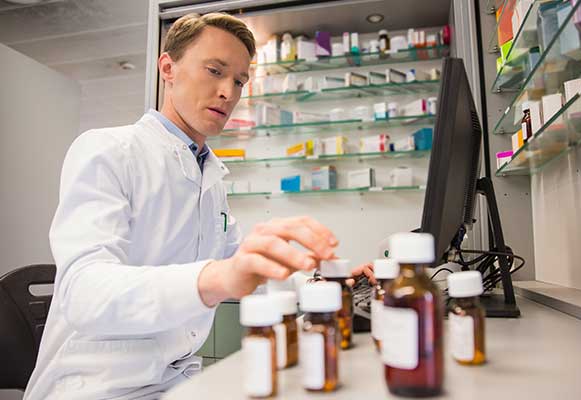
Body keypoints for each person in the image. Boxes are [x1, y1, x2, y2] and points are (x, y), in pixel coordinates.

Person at [24, 13, 370, 400]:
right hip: (98, 387)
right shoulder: (108, 150)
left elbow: (245, 265)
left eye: (239, 81)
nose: (228, 92)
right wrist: (215, 278)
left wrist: (322, 283)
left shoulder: (207, 174)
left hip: (176, 381)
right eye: (214, 71)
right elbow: (83, 292)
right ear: (168, 68)